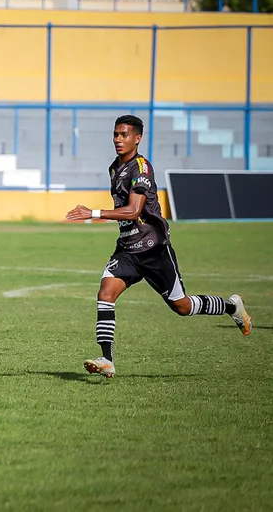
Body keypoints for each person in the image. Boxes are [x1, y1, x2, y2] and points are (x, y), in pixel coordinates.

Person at [66, 114, 251, 378]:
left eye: (124, 135)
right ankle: (106, 360)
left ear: (137, 138)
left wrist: (93, 213)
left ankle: (232, 307)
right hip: (128, 249)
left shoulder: (142, 168)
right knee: (105, 295)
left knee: (182, 307)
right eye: (116, 134)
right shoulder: (114, 167)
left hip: (154, 249)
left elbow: (132, 211)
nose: (118, 139)